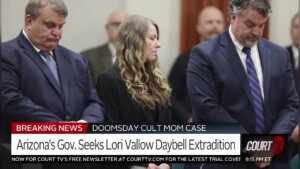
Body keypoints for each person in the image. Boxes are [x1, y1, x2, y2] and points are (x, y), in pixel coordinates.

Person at [187, 0, 299, 169]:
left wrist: (272, 144)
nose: (256, 32)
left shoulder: (279, 55)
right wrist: (252, 146)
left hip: (273, 159)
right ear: (233, 17)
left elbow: (290, 104)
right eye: (250, 24)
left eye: (261, 26)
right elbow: (207, 107)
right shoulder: (204, 55)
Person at [1, 0, 104, 137]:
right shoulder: (7, 54)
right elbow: (10, 100)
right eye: (50, 25)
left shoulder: (77, 60)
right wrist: (60, 128)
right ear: (29, 21)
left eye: (60, 26)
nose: (57, 33)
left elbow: (94, 102)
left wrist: (84, 124)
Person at [96, 15, 172, 169]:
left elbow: (167, 129)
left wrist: (166, 162)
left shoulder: (157, 81)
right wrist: (143, 164)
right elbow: (109, 138)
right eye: (152, 38)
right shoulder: (109, 80)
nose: (158, 44)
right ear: (134, 41)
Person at [168, 6, 224, 123]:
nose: (215, 26)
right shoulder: (183, 61)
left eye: (218, 22)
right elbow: (170, 96)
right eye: (209, 22)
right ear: (199, 27)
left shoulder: (233, 61)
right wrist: (187, 118)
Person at [81, 10, 128, 85]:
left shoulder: (142, 57)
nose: (121, 28)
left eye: (125, 25)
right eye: (117, 24)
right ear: (107, 28)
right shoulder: (87, 57)